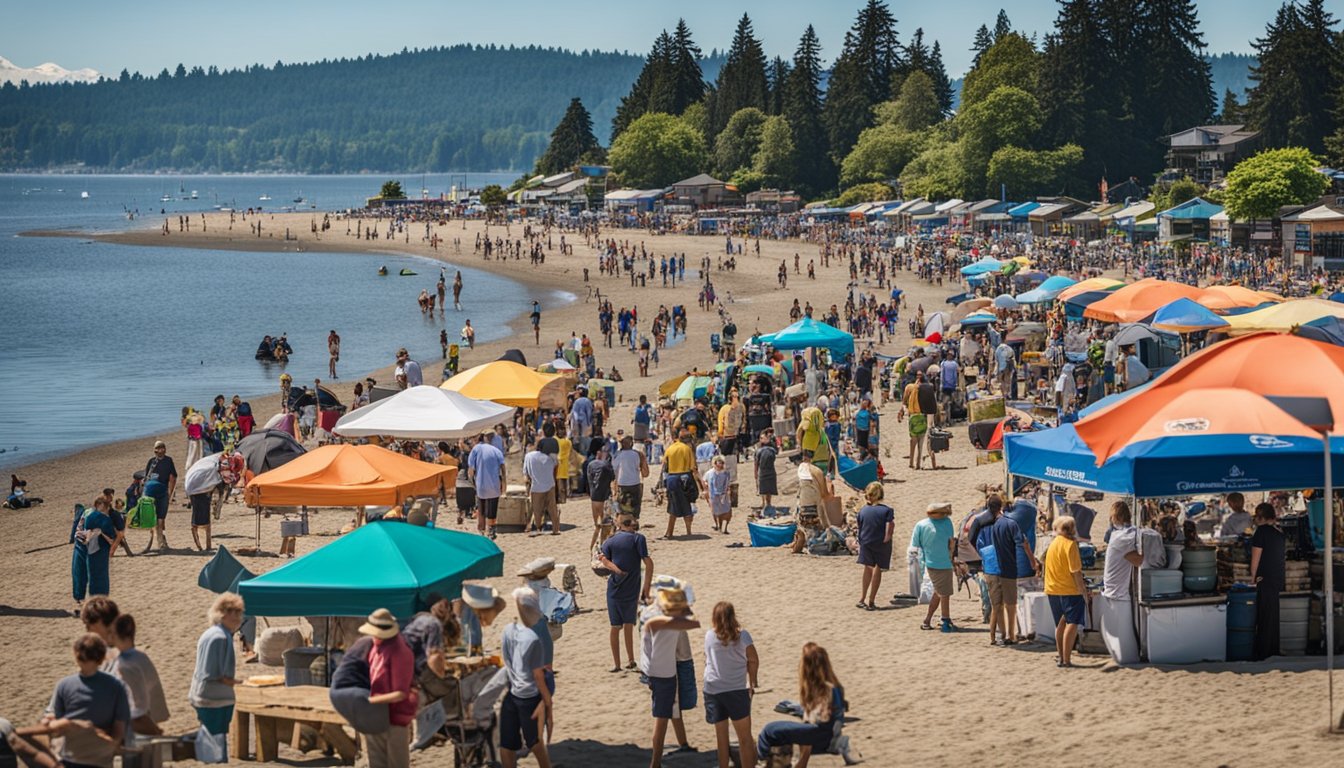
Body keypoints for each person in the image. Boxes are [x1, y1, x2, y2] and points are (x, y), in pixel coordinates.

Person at [756, 643, 857, 767]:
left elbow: (823, 718)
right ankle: (779, 762)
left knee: (769, 729)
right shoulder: (831, 686)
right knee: (778, 733)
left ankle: (761, 760)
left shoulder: (826, 688)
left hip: (821, 734)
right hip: (822, 734)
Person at [39, 633, 130, 768]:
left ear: (76, 655)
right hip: (100, 757)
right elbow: (120, 726)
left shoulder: (64, 684)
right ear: (101, 658)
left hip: (71, 756)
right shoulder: (116, 685)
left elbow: (59, 724)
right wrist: (112, 745)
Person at [640, 587, 701, 768]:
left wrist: (647, 675)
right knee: (661, 719)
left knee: (670, 710)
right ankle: (655, 763)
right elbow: (683, 652)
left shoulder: (650, 621)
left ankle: (683, 743)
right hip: (667, 672)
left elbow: (646, 651)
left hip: (655, 672)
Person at [499, 589, 553, 768]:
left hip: (512, 692)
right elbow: (538, 676)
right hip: (529, 696)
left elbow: (507, 660)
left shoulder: (508, 630)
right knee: (535, 741)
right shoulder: (532, 638)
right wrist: (547, 702)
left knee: (507, 743)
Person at [702, 602, 758, 768]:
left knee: (722, 738)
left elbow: (706, 660)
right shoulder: (743, 636)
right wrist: (752, 682)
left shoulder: (709, 635)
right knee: (744, 738)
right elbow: (753, 659)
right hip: (736, 690)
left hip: (713, 689)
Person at [978, 496, 1038, 646]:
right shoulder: (1010, 523)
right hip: (1009, 568)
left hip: (993, 568)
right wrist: (1032, 560)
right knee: (1011, 605)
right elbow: (1023, 543)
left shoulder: (990, 525)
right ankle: (1011, 636)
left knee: (996, 606)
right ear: (1002, 507)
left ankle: (994, 636)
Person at [596, 514, 653, 672]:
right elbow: (649, 563)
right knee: (629, 624)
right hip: (633, 587)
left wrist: (617, 571)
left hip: (614, 588)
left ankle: (617, 664)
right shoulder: (638, 539)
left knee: (615, 626)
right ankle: (631, 660)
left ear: (619, 525)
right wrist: (646, 588)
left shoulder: (610, 541)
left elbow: (603, 560)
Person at [361, 608, 415, 768]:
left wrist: (370, 700)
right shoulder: (375, 649)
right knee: (376, 762)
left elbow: (400, 693)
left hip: (394, 718)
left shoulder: (400, 652)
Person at [190, 593, 244, 757]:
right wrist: (241, 683)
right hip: (213, 699)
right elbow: (213, 673)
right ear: (222, 613)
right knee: (215, 750)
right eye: (232, 612)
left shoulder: (211, 633)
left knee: (211, 745)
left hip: (203, 696)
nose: (237, 617)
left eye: (238, 612)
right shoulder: (219, 637)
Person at [110, 613, 170, 737]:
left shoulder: (126, 664)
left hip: (140, 722)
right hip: (151, 715)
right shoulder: (140, 656)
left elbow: (138, 703)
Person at [1097, 501, 1143, 664]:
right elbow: (1138, 561)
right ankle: (1128, 659)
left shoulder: (1118, 535)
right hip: (1118, 593)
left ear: (1115, 517)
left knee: (1119, 632)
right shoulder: (1125, 536)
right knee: (1124, 635)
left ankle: (1125, 657)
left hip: (1112, 590)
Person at [1044, 516, 1087, 668]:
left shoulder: (1053, 544)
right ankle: (1067, 660)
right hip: (1069, 589)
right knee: (1072, 623)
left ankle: (1061, 657)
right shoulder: (1070, 545)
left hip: (1052, 589)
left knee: (1060, 624)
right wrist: (1083, 590)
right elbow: (1076, 571)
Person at [912, 502, 958, 632]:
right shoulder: (947, 523)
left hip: (932, 563)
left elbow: (915, 546)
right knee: (944, 593)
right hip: (942, 563)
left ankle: (928, 620)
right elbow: (951, 544)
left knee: (939, 592)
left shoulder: (921, 525)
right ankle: (945, 620)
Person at [1250, 502, 1286, 660]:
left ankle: (1263, 652)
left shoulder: (1260, 532)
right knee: (1273, 616)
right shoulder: (1279, 533)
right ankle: (1273, 650)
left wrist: (1252, 577)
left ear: (1261, 516)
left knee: (1263, 617)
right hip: (1277, 578)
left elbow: (1255, 558)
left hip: (1264, 578)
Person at [72, 497, 117, 612]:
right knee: (90, 574)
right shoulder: (100, 517)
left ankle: (82, 599)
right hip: (86, 544)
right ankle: (89, 601)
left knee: (81, 572)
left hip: (83, 543)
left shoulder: (90, 513)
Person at [855, 482, 894, 611]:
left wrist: (860, 540)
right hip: (880, 542)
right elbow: (890, 527)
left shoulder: (863, 510)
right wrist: (887, 538)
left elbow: (860, 527)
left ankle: (862, 598)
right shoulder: (887, 510)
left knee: (867, 568)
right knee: (877, 569)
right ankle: (871, 600)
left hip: (866, 541)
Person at [662, 430, 704, 539]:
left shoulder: (670, 448)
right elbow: (693, 468)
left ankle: (669, 532)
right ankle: (688, 531)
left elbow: (665, 466)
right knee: (687, 504)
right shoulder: (687, 449)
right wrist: (701, 484)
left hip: (671, 478)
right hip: (685, 478)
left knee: (673, 506)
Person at [467, 430, 506, 540]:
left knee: (482, 508)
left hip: (481, 485)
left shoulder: (476, 449)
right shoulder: (496, 451)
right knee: (492, 509)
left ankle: (482, 531)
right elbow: (503, 468)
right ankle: (491, 531)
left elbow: (471, 469)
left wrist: (472, 482)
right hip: (494, 485)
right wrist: (504, 483)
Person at [142, 440, 177, 552]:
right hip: (153, 493)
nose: (160, 450)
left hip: (161, 492)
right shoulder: (151, 462)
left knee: (161, 519)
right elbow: (146, 478)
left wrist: (170, 493)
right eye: (159, 448)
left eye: (162, 448)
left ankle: (161, 541)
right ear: (155, 450)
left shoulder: (168, 460)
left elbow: (173, 478)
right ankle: (159, 541)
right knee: (154, 518)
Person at [522, 438, 559, 537]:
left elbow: (526, 472)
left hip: (536, 486)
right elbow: (556, 466)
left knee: (536, 509)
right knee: (552, 508)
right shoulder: (551, 456)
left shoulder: (529, 456)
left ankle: (537, 527)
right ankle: (555, 529)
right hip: (550, 484)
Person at [613, 434, 649, 521]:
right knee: (635, 507)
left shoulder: (618, 455)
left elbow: (614, 471)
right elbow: (645, 473)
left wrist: (614, 487)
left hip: (622, 484)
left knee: (622, 508)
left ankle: (624, 525)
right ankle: (634, 522)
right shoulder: (638, 454)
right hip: (635, 483)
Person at [587, 442, 616, 548]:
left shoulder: (590, 464)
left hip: (593, 497)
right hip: (604, 497)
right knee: (607, 525)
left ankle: (593, 547)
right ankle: (605, 547)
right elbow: (613, 479)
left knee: (597, 526)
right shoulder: (607, 465)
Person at [704, 455, 733, 534]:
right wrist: (706, 489)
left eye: (721, 462)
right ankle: (718, 525)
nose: (720, 464)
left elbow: (727, 483)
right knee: (716, 511)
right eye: (718, 462)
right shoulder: (710, 473)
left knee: (727, 511)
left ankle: (725, 527)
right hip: (713, 495)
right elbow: (704, 481)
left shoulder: (726, 473)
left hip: (724, 495)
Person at [754, 429, 778, 513]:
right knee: (763, 490)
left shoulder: (771, 449)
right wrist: (756, 473)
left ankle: (768, 503)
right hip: (763, 472)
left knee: (769, 490)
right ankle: (764, 503)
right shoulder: (759, 450)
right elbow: (756, 463)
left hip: (770, 471)